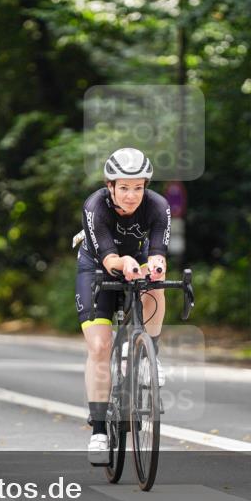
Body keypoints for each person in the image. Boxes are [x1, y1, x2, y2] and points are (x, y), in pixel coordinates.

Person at [75, 148, 170, 466]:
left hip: (136, 261)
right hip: (97, 267)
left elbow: (157, 252)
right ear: (110, 186)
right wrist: (125, 263)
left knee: (157, 283)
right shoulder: (95, 206)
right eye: (124, 187)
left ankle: (149, 356)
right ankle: (99, 430)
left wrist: (155, 266)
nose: (132, 195)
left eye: (139, 187)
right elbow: (109, 258)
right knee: (101, 346)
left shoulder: (158, 206)